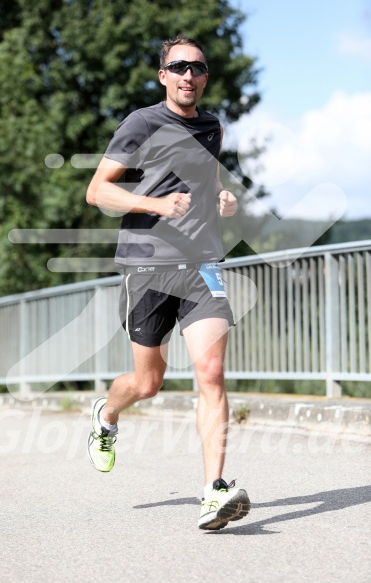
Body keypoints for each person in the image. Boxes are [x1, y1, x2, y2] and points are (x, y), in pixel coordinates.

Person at [86, 36, 250, 530]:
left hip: (202, 262)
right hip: (147, 265)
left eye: (197, 67)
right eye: (178, 66)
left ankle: (212, 492)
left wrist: (225, 200)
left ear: (204, 77)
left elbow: (211, 183)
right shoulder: (141, 123)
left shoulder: (211, 127)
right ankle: (107, 416)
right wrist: (156, 206)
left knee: (212, 372)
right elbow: (98, 191)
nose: (188, 74)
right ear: (163, 75)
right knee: (147, 382)